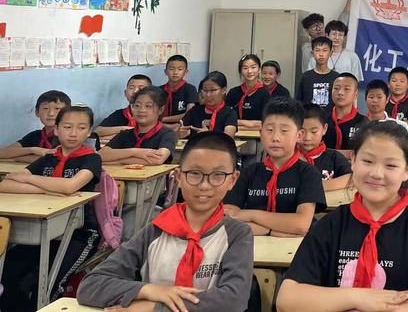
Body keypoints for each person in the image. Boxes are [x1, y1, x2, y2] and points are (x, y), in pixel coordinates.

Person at [275, 121, 408, 312]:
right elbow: (287, 297)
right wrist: (358, 297)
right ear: (353, 160)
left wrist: (386, 309)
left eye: (390, 165)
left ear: (407, 170)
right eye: (367, 161)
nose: (376, 174)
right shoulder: (333, 225)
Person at [77, 132, 254, 311]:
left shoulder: (237, 234)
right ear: (178, 177)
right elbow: (90, 286)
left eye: (218, 175)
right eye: (194, 173)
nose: (204, 185)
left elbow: (233, 301)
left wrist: (153, 308)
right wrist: (149, 290)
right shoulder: (157, 229)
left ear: (232, 180)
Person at [0, 105, 102, 308]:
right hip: (41, 231)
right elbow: (6, 184)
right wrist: (47, 191)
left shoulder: (91, 158)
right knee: (8, 273)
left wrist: (30, 179)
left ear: (89, 132)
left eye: (81, 128)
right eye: (67, 127)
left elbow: (70, 186)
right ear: (56, 129)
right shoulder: (48, 158)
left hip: (79, 234)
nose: (73, 133)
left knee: (49, 285)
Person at [224, 98, 324, 236]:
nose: (275, 137)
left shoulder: (308, 173)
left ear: (299, 135)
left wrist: (250, 215)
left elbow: (301, 224)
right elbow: (229, 217)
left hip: (294, 247)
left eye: (284, 130)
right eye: (269, 130)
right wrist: (270, 230)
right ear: (261, 133)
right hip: (254, 245)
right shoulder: (248, 173)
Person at [100, 86, 176, 165]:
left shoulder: (167, 134)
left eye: (148, 106)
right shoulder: (125, 134)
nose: (141, 110)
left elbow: (157, 159)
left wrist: (119, 161)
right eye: (137, 105)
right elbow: (101, 154)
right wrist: (134, 152)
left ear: (160, 110)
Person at [0, 89, 71, 161]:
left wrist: (18, 158)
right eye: (45, 108)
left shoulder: (70, 136)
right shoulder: (35, 135)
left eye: (57, 108)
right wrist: (32, 150)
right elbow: (2, 153)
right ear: (37, 112)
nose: (51, 113)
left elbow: (56, 159)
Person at [298, 104, 352, 192]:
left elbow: (352, 178)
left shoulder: (334, 157)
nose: (307, 138)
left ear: (324, 129)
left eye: (314, 131)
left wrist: (317, 186)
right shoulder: (287, 157)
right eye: (302, 131)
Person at [179, 71, 238, 138]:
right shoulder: (195, 110)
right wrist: (180, 133)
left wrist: (208, 135)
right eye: (205, 90)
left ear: (223, 90)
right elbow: (180, 129)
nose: (208, 95)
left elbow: (228, 139)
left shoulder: (230, 113)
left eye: (213, 90)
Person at [225, 53, 270, 131]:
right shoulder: (233, 92)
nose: (249, 71)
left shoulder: (264, 94)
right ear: (240, 71)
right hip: (234, 134)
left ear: (259, 70)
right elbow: (225, 119)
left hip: (257, 136)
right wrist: (251, 124)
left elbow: (264, 123)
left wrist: (237, 124)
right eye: (245, 68)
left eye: (253, 67)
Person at [324, 73, 366, 151]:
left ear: (356, 94)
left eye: (346, 89)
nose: (340, 92)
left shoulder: (365, 123)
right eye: (336, 88)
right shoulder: (322, 120)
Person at [158, 54, 198, 129]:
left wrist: (162, 119)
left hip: (181, 126)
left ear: (186, 72)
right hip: (160, 126)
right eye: (172, 69)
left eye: (180, 69)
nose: (175, 72)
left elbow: (189, 114)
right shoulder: (159, 90)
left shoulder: (190, 89)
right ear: (165, 71)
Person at [298, 36, 339, 107]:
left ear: (330, 53)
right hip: (309, 114)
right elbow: (299, 101)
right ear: (312, 53)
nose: (321, 54)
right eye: (317, 50)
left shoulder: (336, 77)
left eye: (325, 50)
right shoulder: (306, 77)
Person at [300, 12, 327, 80]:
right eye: (313, 27)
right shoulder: (307, 48)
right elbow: (307, 70)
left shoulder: (332, 42)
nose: (318, 29)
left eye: (320, 25)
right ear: (307, 31)